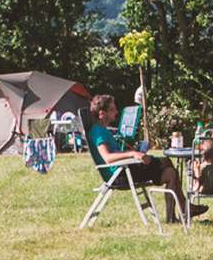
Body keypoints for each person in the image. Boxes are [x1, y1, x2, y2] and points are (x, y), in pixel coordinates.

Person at [86, 93, 206, 225]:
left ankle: (177, 214)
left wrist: (137, 150)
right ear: (102, 114)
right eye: (112, 109)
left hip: (125, 168)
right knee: (168, 167)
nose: (116, 111)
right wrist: (132, 154)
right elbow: (107, 158)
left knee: (171, 171)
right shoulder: (98, 132)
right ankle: (182, 209)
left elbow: (115, 152)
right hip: (121, 173)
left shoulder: (103, 129)